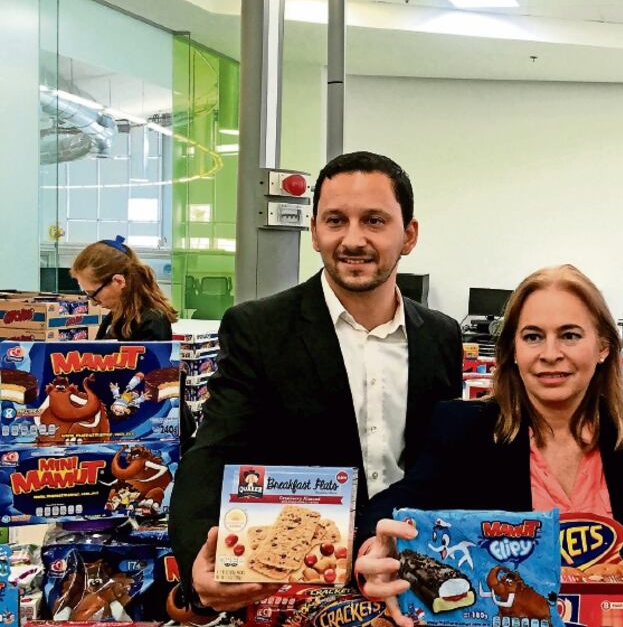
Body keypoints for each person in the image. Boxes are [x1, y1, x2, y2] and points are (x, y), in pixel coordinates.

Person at [168, 151, 463, 613]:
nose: (353, 239)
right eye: (335, 220)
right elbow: (214, 454)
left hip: (408, 577)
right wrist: (195, 565)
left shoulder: (442, 337)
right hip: (301, 586)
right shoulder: (260, 328)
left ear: (409, 235)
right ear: (314, 233)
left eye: (374, 221)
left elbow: (444, 461)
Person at [355, 265, 623, 626]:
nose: (550, 353)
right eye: (532, 337)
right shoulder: (464, 429)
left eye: (570, 335)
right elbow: (395, 503)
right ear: (512, 349)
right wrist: (375, 548)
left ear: (604, 346)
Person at [71, 236, 177, 341]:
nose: (93, 303)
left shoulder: (152, 323)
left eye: (93, 293)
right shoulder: (115, 316)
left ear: (119, 281)